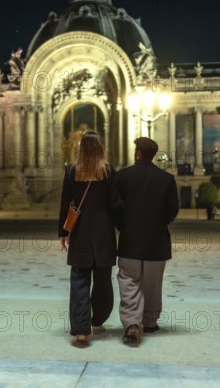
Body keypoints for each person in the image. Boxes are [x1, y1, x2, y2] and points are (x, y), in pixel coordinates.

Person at [58, 131, 121, 348]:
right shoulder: (109, 171)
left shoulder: (72, 171)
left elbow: (66, 203)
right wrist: (124, 228)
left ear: (81, 148)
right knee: (103, 282)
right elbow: (115, 206)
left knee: (79, 282)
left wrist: (63, 232)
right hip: (104, 235)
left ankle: (81, 331)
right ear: (101, 148)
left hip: (81, 233)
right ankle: (97, 321)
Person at [116, 137, 179, 345]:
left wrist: (124, 226)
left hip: (130, 242)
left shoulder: (123, 177)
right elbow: (173, 211)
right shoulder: (167, 179)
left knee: (129, 282)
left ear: (138, 153)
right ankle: (150, 322)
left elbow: (115, 208)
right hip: (157, 242)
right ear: (153, 155)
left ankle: (132, 324)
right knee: (153, 284)